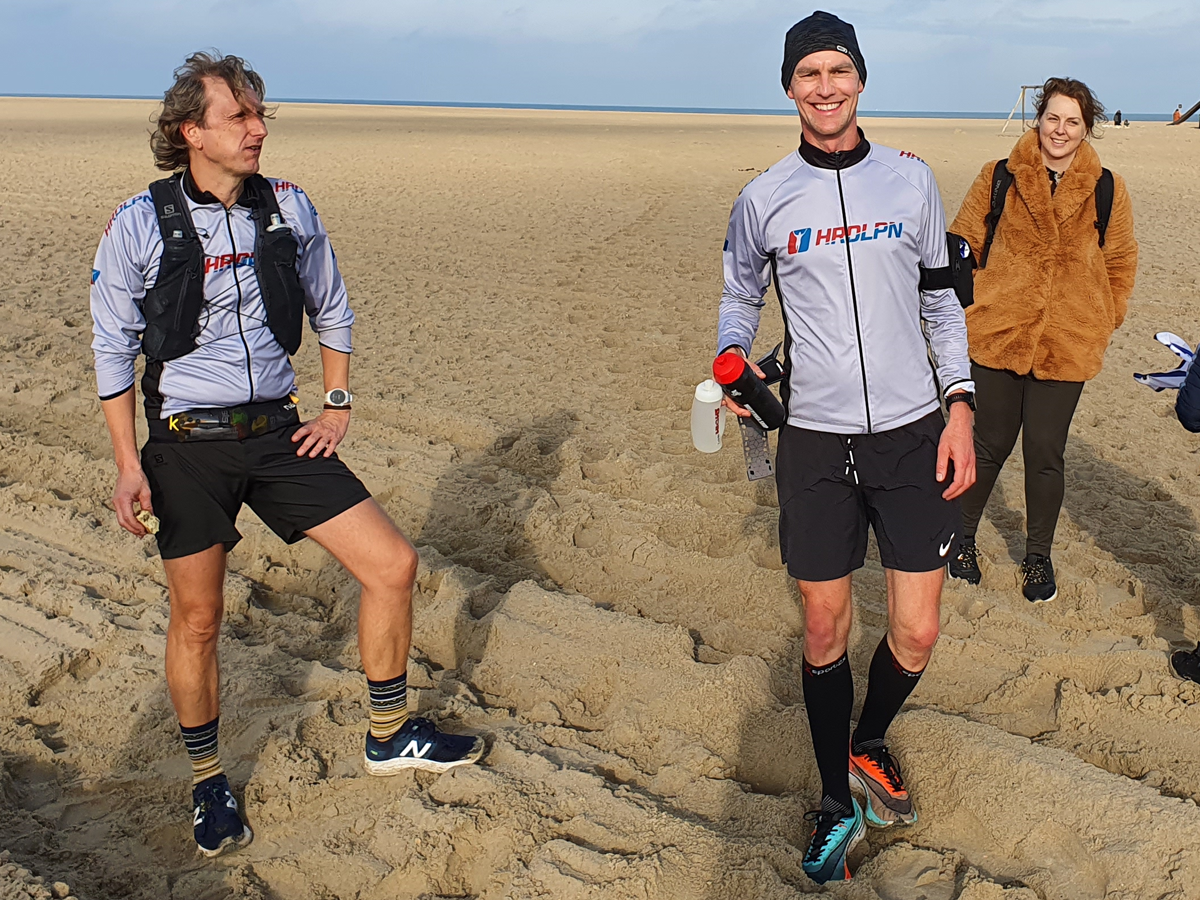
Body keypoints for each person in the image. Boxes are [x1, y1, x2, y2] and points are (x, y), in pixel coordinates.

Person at [89, 52, 485, 859]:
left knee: (392, 565)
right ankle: (208, 782)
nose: (258, 130)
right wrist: (129, 464)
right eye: (238, 117)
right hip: (185, 444)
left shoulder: (291, 208)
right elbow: (112, 349)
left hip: (278, 432)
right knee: (199, 620)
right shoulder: (138, 221)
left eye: (260, 115)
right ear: (189, 131)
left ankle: (387, 732)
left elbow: (331, 305)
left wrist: (336, 403)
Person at [717, 11, 976, 885]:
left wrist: (963, 408)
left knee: (916, 631)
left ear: (860, 80)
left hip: (912, 432)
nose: (825, 86)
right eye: (808, 74)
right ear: (788, 87)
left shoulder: (911, 181)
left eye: (839, 71)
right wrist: (730, 368)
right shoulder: (763, 196)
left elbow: (941, 302)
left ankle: (870, 737)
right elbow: (737, 300)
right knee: (825, 627)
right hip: (817, 441)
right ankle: (835, 796)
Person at [945, 78, 1137, 602]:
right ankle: (959, 541)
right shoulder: (999, 176)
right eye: (1053, 117)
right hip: (997, 333)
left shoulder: (1107, 188)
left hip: (1068, 341)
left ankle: (1037, 558)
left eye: (1073, 121)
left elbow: (1120, 259)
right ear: (1039, 119)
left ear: (1086, 128)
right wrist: (975, 306)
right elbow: (963, 243)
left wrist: (1105, 316)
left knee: (1046, 453)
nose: (1061, 129)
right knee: (987, 445)